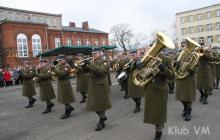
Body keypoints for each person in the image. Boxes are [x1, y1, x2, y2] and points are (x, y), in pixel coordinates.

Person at [142, 52, 174, 140]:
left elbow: (171, 76)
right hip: (150, 89)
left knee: (159, 114)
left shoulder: (166, 59)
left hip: (161, 89)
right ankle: (159, 126)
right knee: (153, 113)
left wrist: (163, 68)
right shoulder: (146, 59)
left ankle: (158, 132)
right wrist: (139, 68)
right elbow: (142, 74)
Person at [82, 48, 112, 131]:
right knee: (92, 104)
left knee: (99, 104)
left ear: (100, 53)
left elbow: (101, 71)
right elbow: (85, 71)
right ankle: (102, 117)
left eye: (95, 53)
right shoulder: (93, 61)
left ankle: (101, 120)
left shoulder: (104, 61)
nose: (93, 55)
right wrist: (83, 65)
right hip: (92, 85)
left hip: (100, 84)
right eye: (92, 53)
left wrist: (90, 64)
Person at [174, 40, 198, 121]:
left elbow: (195, 69)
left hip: (189, 79)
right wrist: (175, 64)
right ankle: (185, 108)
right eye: (182, 45)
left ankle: (189, 112)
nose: (183, 47)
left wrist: (186, 66)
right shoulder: (178, 55)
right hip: (180, 78)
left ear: (188, 46)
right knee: (181, 97)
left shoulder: (194, 55)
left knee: (188, 97)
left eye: (184, 45)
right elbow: (173, 65)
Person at [52, 55, 76, 119]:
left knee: (65, 98)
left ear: (64, 60)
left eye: (60, 60)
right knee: (63, 97)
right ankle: (69, 108)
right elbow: (56, 73)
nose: (59, 62)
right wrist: (54, 71)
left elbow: (63, 74)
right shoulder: (58, 66)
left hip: (65, 83)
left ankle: (67, 112)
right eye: (59, 61)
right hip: (60, 82)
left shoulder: (67, 66)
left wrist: (54, 69)